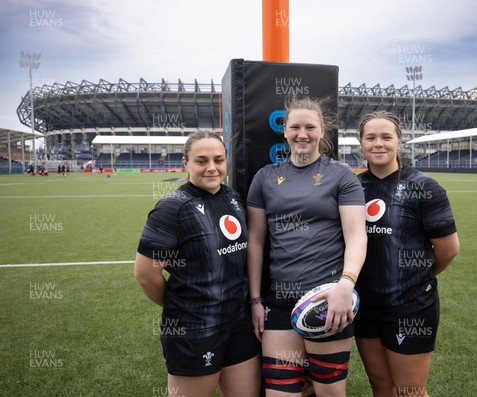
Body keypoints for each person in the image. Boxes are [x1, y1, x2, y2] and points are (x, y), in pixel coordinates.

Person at [246, 96, 367, 397]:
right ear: (284, 130)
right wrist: (255, 300)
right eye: (295, 127)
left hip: (329, 300)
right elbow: (256, 241)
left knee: (329, 394)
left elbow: (357, 236)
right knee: (280, 393)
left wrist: (345, 285)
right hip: (279, 301)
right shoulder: (265, 177)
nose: (303, 134)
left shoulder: (341, 176)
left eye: (310, 127)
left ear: (322, 130)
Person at [134, 131, 261, 397]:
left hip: (239, 324)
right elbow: (146, 274)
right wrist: (182, 305)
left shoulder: (233, 198)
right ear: (186, 163)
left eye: (219, 159)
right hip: (195, 328)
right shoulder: (172, 208)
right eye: (201, 161)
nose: (212, 168)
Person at [355, 111, 460, 397]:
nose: (379, 144)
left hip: (411, 306)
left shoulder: (424, 187)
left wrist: (415, 276)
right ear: (361, 144)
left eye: (386, 137)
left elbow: (449, 250)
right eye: (371, 138)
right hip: (365, 305)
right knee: (382, 387)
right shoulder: (353, 188)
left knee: (410, 391)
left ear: (399, 142)